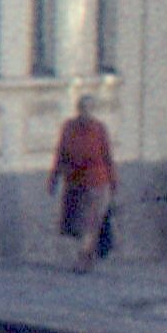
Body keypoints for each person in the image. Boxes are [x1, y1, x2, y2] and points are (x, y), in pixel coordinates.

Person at [50, 92, 119, 273]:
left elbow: (107, 156)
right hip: (74, 182)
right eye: (83, 108)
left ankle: (83, 260)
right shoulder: (68, 128)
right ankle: (88, 257)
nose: (86, 112)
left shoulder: (99, 129)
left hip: (97, 181)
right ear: (78, 109)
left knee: (90, 223)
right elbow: (60, 153)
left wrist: (113, 182)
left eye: (90, 109)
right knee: (78, 225)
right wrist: (54, 177)